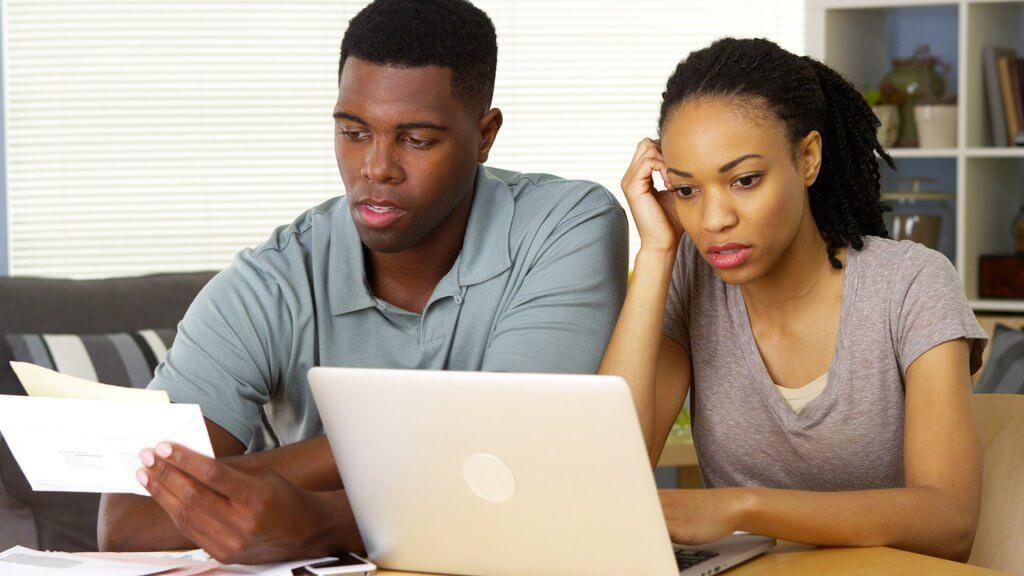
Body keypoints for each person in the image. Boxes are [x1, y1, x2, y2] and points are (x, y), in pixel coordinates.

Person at [98, 0, 628, 563]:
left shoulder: (566, 226)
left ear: (485, 133)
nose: (376, 168)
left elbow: (520, 463)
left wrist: (314, 517)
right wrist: (447, 435)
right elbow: (130, 520)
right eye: (354, 132)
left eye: (416, 140)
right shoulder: (271, 281)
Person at [600, 37, 986, 562]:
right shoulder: (689, 274)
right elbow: (604, 471)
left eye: (745, 180)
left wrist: (745, 507)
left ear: (807, 158)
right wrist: (656, 252)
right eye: (687, 190)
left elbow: (948, 520)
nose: (714, 221)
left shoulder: (912, 284)